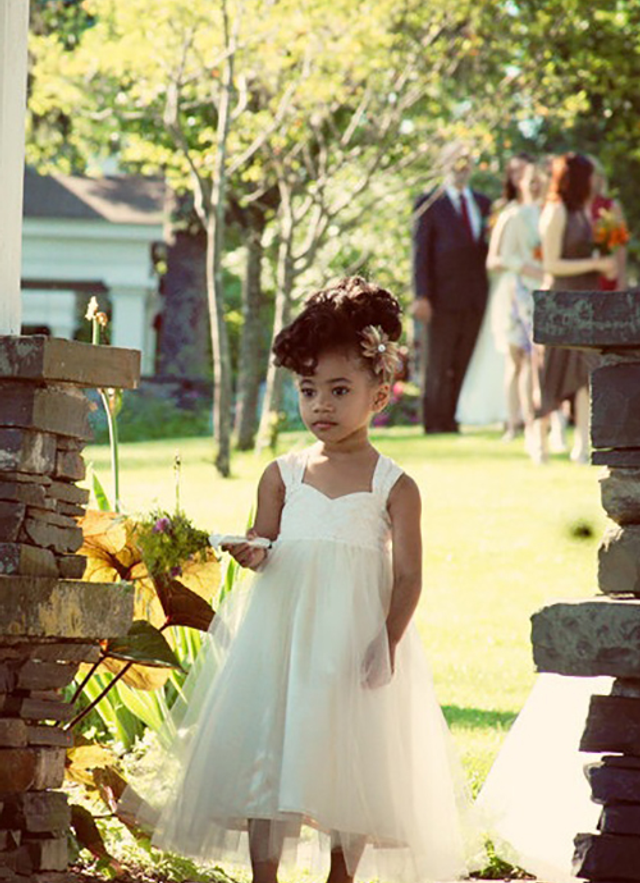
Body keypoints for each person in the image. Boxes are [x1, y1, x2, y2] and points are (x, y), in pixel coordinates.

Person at [131, 277, 481, 883]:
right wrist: (249, 553)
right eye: (308, 389)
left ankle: (341, 874)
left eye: (339, 390)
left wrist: (387, 641)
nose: (320, 405)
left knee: (352, 756)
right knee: (273, 745)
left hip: (353, 639)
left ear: (379, 395)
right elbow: (264, 545)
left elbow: (410, 575)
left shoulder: (394, 485)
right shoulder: (281, 474)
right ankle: (264, 873)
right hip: (283, 636)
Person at [534, 153, 616, 464]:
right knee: (553, 374)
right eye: (591, 176)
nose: (596, 182)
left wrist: (602, 265)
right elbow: (551, 264)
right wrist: (595, 262)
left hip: (586, 299)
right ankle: (539, 441)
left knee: (585, 373)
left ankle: (582, 444)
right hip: (562, 302)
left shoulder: (584, 212)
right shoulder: (556, 212)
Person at [412, 142, 492, 433]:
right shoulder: (430, 202)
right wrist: (421, 295)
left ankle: (453, 420)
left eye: (466, 162)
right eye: (455, 162)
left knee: (462, 360)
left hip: (475, 297)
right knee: (438, 362)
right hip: (440, 298)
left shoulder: (483, 204)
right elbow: (420, 253)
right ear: (444, 165)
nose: (461, 168)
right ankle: (434, 423)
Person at [457, 153, 531, 431]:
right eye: (516, 173)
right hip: (507, 287)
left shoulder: (542, 208)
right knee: (502, 350)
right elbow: (492, 255)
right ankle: (503, 411)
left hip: (533, 284)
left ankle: (530, 411)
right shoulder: (501, 209)